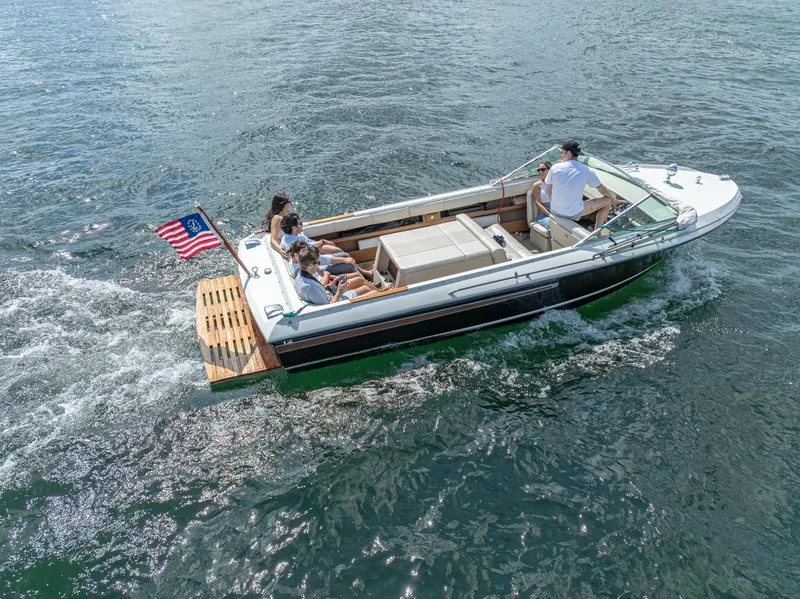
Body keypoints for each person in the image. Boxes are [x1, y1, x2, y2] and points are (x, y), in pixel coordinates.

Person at [545, 140, 621, 228]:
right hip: (574, 214)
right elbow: (603, 190)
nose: (561, 154)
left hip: (555, 210)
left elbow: (548, 191)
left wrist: (560, 202)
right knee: (607, 201)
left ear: (568, 153)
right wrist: (614, 201)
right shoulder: (586, 170)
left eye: (562, 152)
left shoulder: (555, 167)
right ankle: (596, 233)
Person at [287, 240, 382, 291]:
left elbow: (319, 272)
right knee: (359, 280)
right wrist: (328, 275)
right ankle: (376, 290)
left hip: (330, 279)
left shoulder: (306, 266)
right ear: (296, 255)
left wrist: (333, 276)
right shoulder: (303, 270)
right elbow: (323, 284)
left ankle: (371, 284)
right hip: (330, 285)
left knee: (357, 276)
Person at [294, 247, 373, 305]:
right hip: (337, 301)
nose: (319, 265)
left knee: (360, 281)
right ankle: (379, 291)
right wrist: (339, 291)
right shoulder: (310, 287)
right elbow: (329, 307)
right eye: (318, 262)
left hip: (331, 293)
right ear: (310, 266)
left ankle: (378, 289)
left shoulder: (301, 276)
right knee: (370, 291)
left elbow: (321, 293)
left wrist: (330, 286)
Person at [280, 212, 346, 256]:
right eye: (301, 223)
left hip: (313, 251)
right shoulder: (292, 242)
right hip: (312, 258)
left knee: (338, 251)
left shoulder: (293, 235)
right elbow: (308, 247)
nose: (302, 225)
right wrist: (322, 241)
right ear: (294, 228)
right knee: (340, 252)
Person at [259, 193, 293, 258]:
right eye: (289, 202)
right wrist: (280, 250)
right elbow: (272, 240)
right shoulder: (277, 218)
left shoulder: (284, 216)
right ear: (285, 205)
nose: (291, 203)